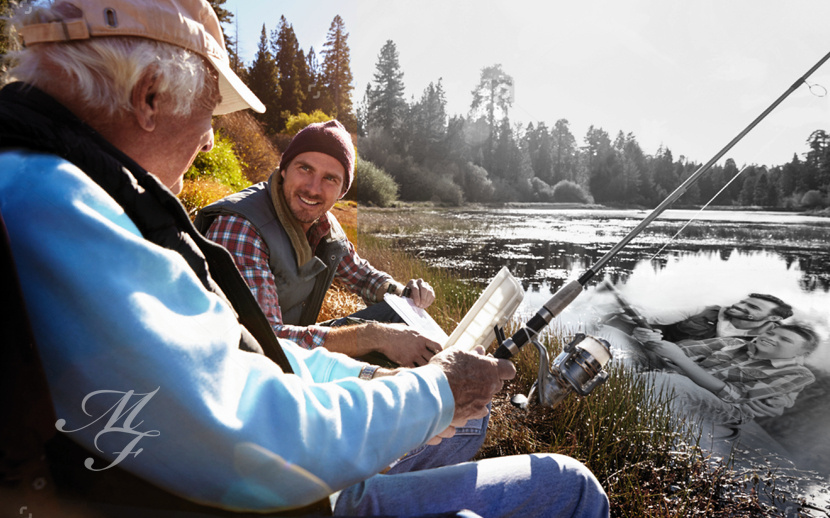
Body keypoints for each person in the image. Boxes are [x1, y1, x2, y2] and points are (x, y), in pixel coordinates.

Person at [0, 1, 609, 517]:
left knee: (470, 427)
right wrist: (436, 386)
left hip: (284, 477)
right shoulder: (61, 206)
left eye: (332, 180)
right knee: (572, 487)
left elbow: (241, 351)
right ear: (150, 95)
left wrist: (375, 374)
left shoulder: (79, 193)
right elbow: (257, 431)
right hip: (293, 494)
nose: (212, 138)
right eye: (210, 111)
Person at [196, 120, 441, 369]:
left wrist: (405, 294)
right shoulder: (241, 227)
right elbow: (263, 342)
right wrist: (376, 337)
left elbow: (364, 277)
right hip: (243, 365)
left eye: (330, 179)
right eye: (305, 168)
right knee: (388, 337)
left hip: (290, 352)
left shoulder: (324, 225)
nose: (313, 188)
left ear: (342, 191)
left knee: (402, 315)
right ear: (283, 169)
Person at [633, 324, 818, 425]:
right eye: (771, 332)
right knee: (617, 336)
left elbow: (734, 395)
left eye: (784, 339)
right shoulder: (734, 342)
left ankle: (622, 402)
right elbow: (677, 351)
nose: (770, 337)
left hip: (726, 407)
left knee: (668, 382)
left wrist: (680, 359)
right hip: (681, 376)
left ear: (801, 354)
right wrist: (651, 339)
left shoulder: (798, 374)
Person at [649, 293, 793, 342]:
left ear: (773, 318)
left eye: (753, 307)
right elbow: (651, 318)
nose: (739, 305)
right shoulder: (702, 310)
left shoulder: (778, 337)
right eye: (743, 302)